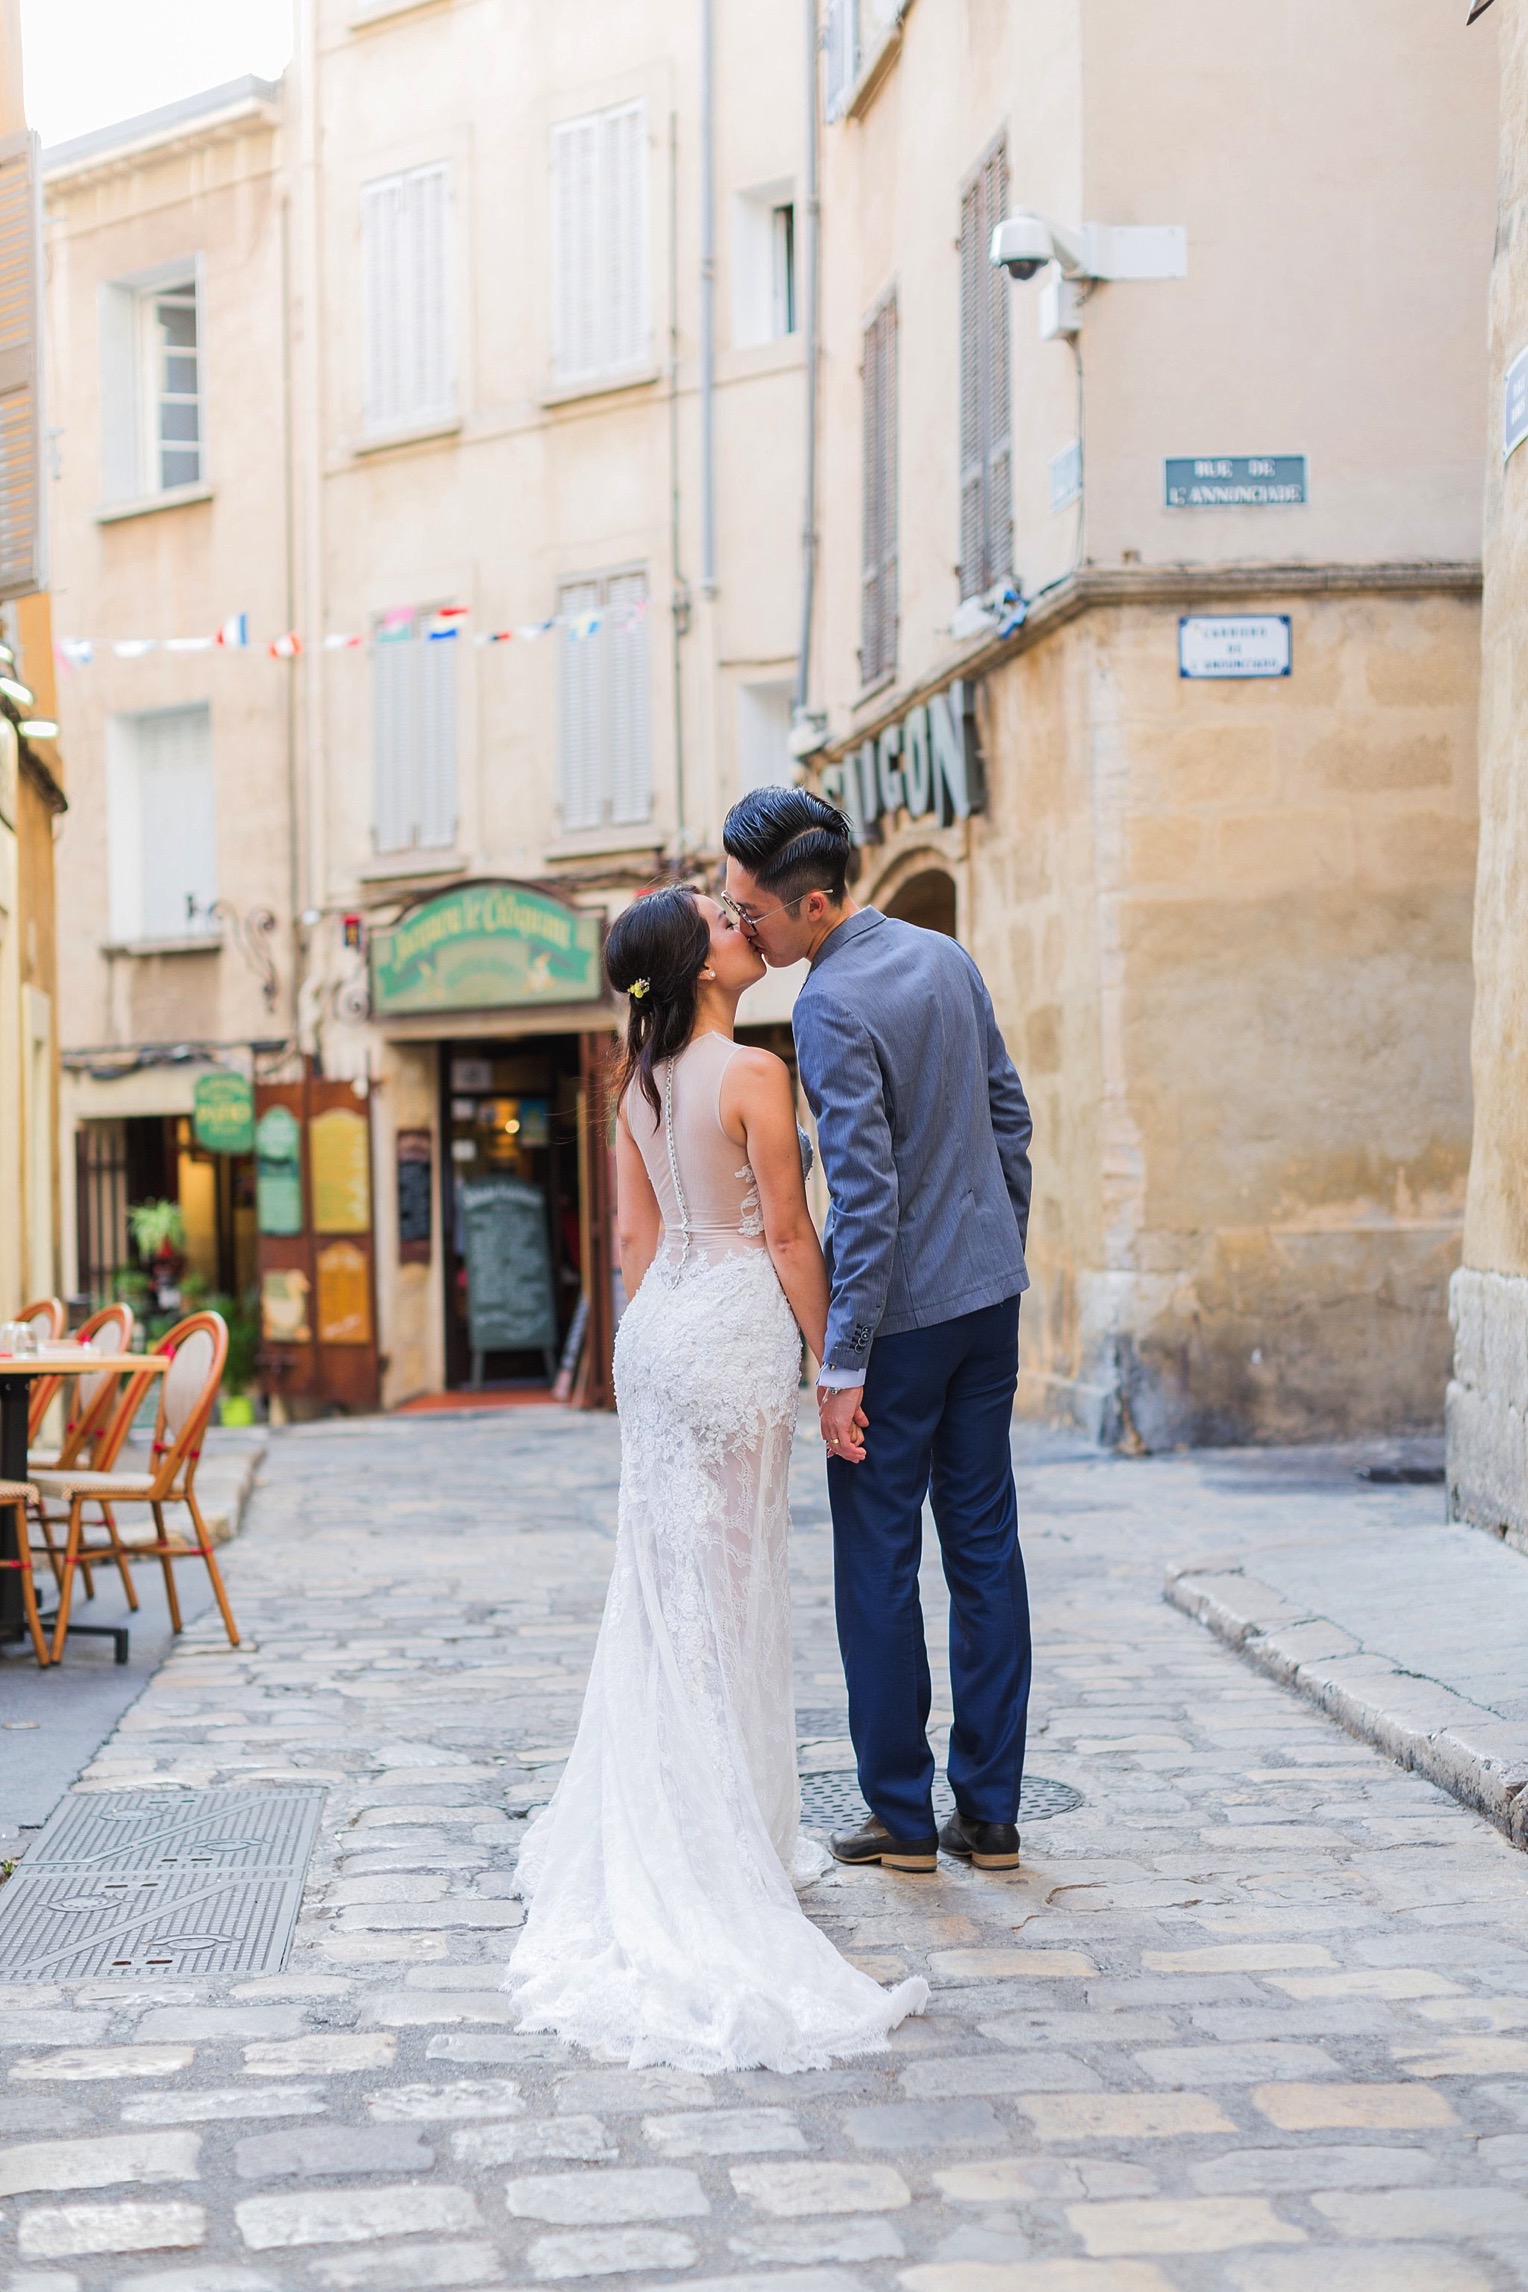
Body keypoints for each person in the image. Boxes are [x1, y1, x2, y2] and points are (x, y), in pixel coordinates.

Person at [504, 883, 928, 2071]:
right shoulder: (749, 1073)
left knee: (664, 1594)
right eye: (720, 920)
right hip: (735, 1323)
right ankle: (719, 1842)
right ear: (697, 967)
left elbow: (636, 1243)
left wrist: (660, 1343)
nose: (741, 925)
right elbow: (791, 1236)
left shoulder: (632, 1086)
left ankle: (702, 1816)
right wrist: (835, 1366)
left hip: (661, 1338)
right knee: (733, 1597)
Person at [722, 786, 1034, 1876]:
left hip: (895, 1326)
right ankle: (990, 1816)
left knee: (878, 1560)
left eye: (749, 913)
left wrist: (840, 1359)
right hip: (985, 1305)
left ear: (811, 905)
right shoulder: (946, 957)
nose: (742, 929)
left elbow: (862, 1194)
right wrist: (998, 1244)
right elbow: (1010, 1117)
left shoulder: (827, 1006)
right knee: (985, 1547)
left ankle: (902, 1818)